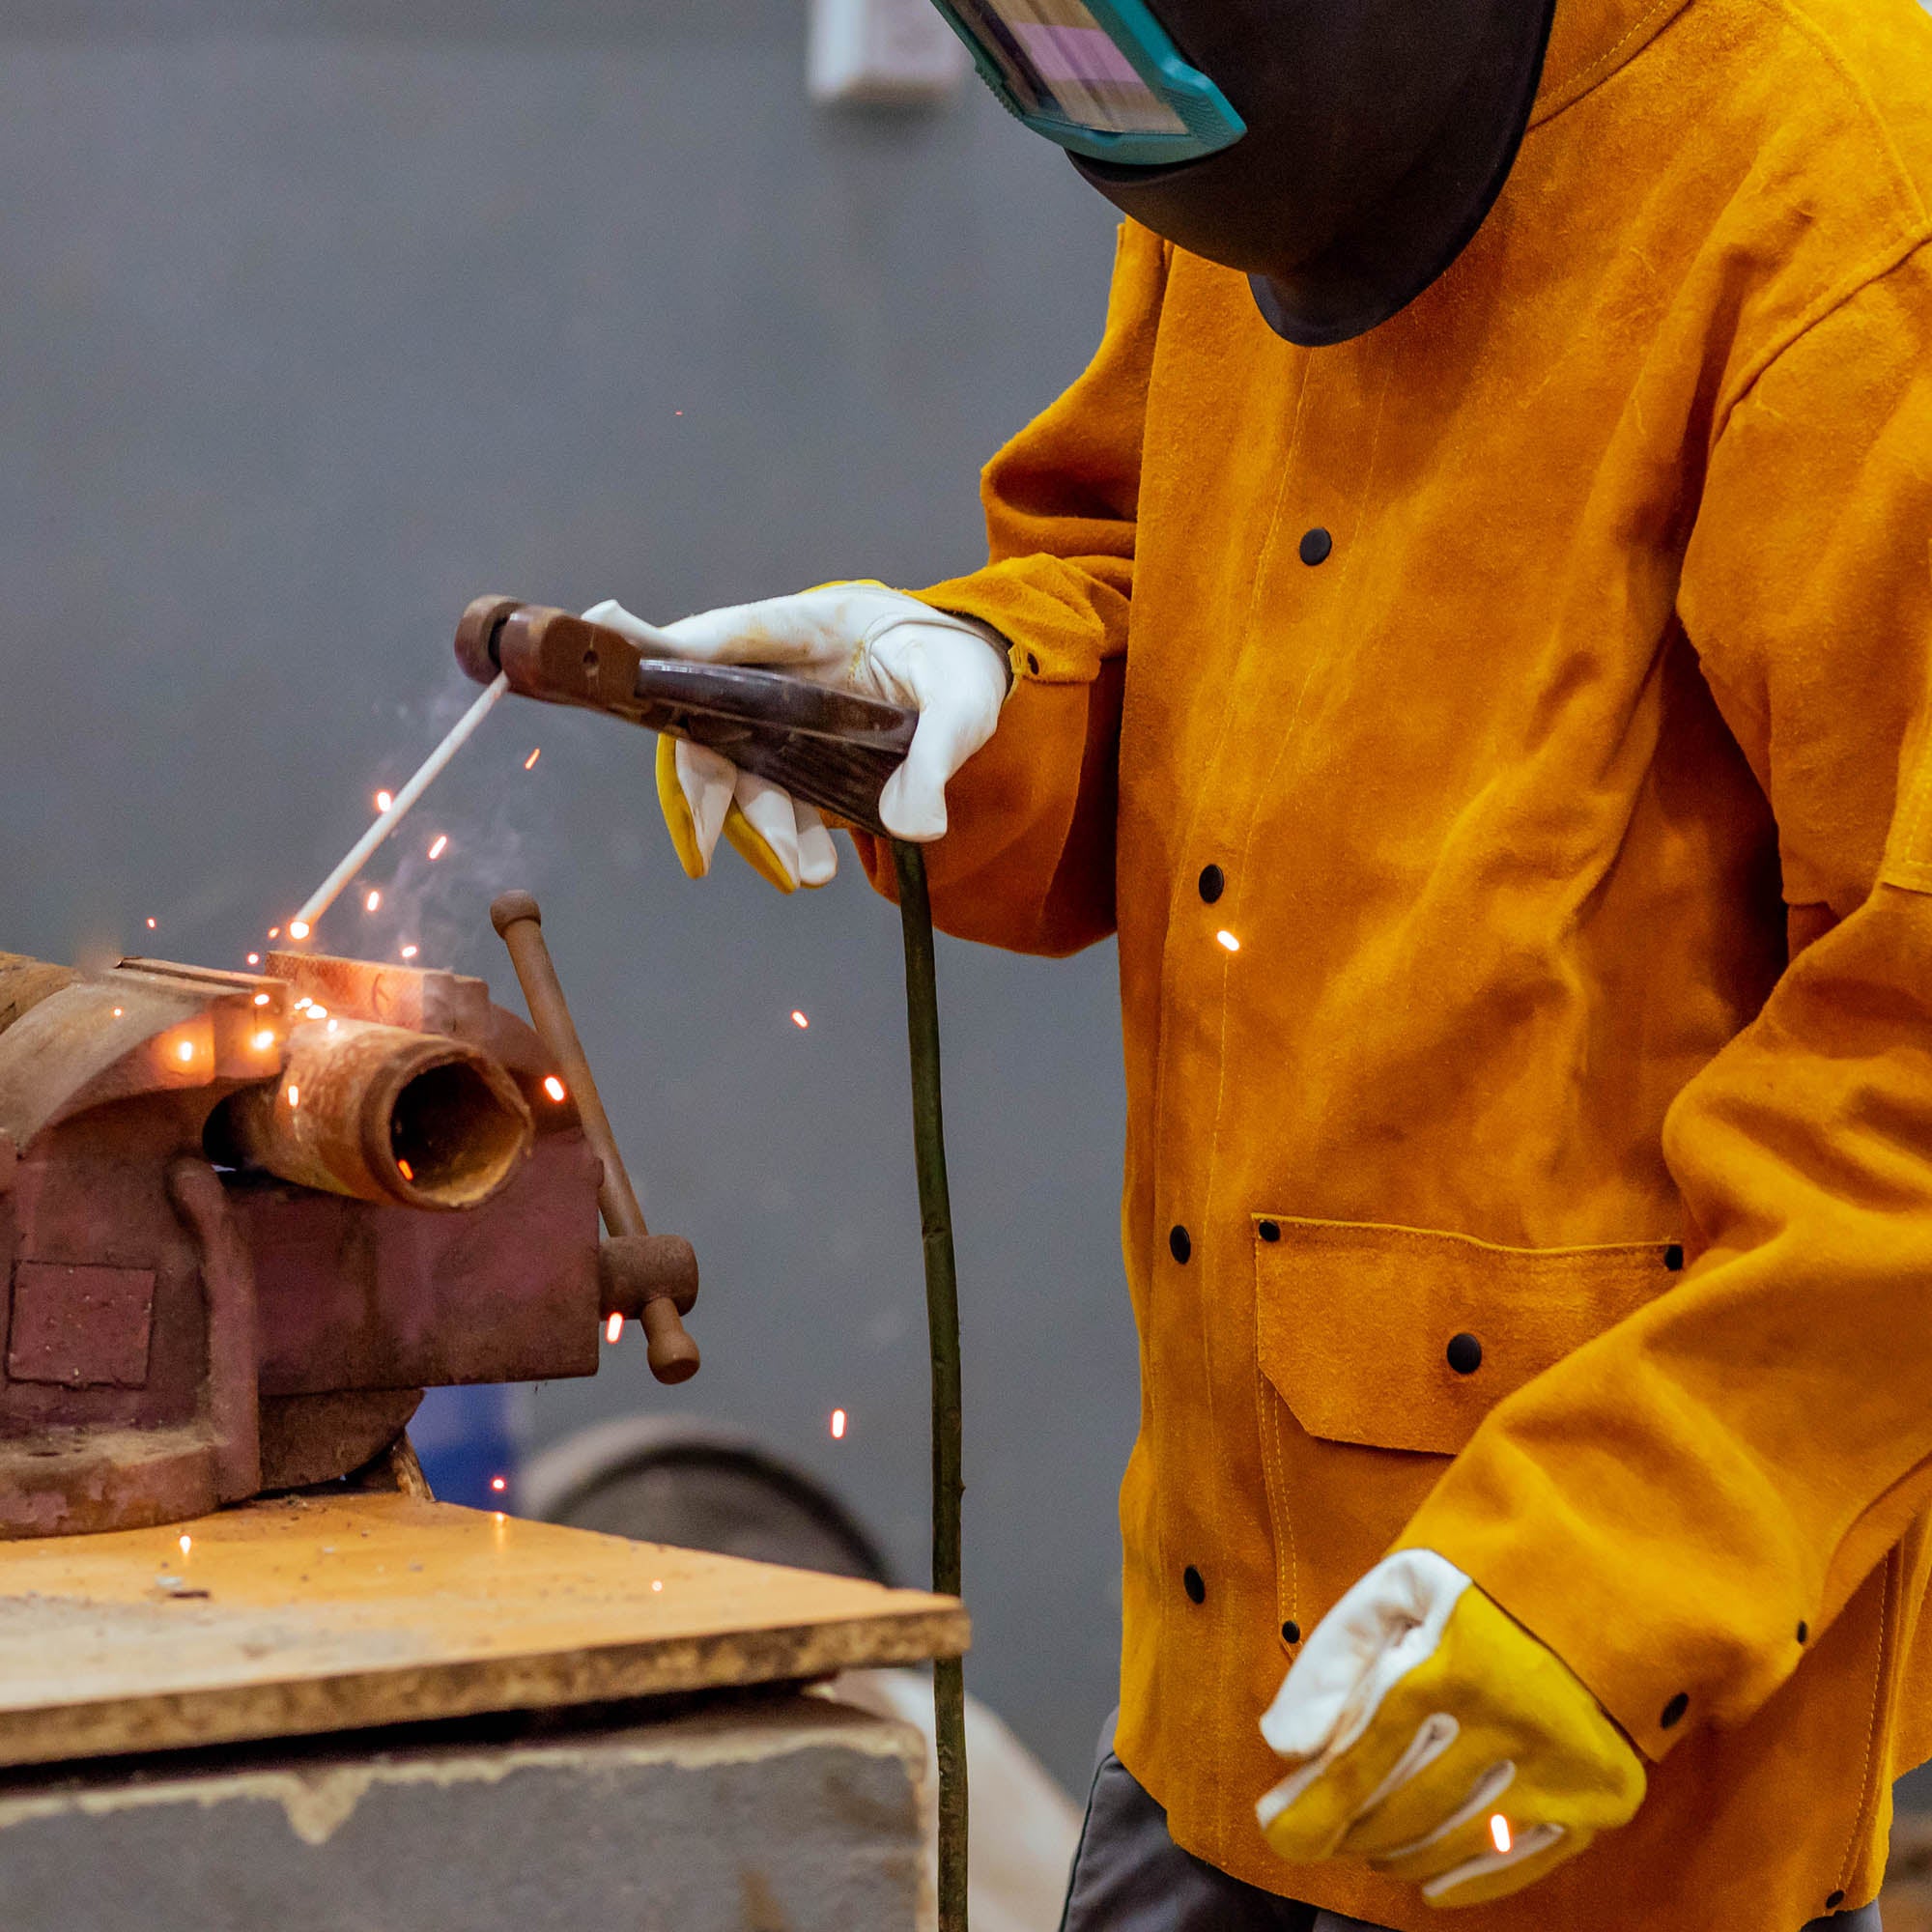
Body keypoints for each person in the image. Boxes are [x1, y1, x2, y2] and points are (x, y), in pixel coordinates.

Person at [587, 0, 1932, 1922]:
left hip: (1590, 1731)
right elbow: (1168, 566)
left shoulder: (1838, 193)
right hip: (1222, 1681)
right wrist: (971, 682)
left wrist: (1616, 1559)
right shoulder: (1257, 111)